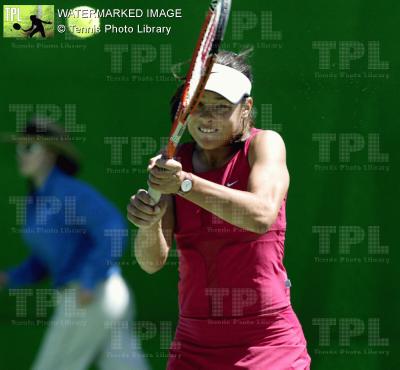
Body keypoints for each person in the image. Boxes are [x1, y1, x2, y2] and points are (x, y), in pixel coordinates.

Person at [127, 50, 312, 369]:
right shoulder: (176, 161)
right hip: (193, 345)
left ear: (246, 109)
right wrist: (149, 223)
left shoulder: (265, 145)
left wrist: (185, 184)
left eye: (221, 107)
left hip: (267, 344)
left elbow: (260, 215)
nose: (207, 118)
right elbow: (151, 261)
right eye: (198, 106)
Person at [0, 118, 149, 370]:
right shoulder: (36, 200)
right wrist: (9, 278)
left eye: (29, 147)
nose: (21, 154)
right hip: (98, 297)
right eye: (19, 148)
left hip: (93, 295)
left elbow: (112, 227)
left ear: (50, 153)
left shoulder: (68, 192)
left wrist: (89, 280)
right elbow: (44, 260)